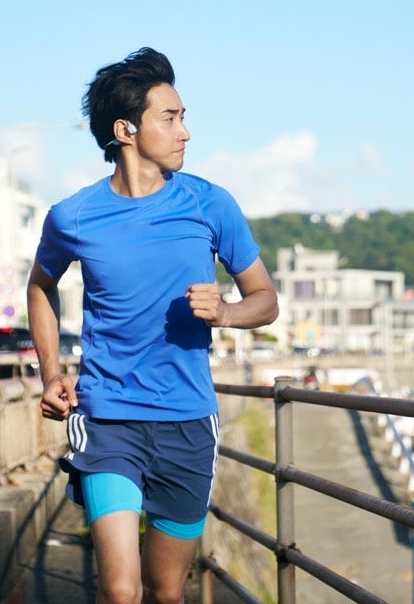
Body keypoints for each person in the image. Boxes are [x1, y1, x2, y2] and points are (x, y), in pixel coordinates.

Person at [26, 47, 279, 604]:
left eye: (183, 117)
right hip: (107, 416)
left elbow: (265, 300)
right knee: (121, 590)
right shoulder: (73, 216)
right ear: (126, 130)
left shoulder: (210, 204)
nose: (184, 131)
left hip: (187, 420)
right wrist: (51, 373)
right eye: (169, 118)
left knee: (165, 591)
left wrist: (226, 312)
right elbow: (40, 286)